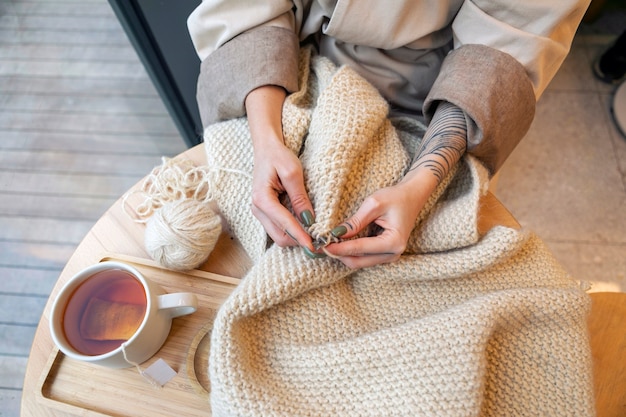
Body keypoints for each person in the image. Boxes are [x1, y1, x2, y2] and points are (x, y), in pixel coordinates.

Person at [187, 0, 590, 269]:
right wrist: (268, 142)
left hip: (440, 98)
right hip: (283, 67)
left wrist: (420, 185)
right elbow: (246, 8)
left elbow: (507, 41)